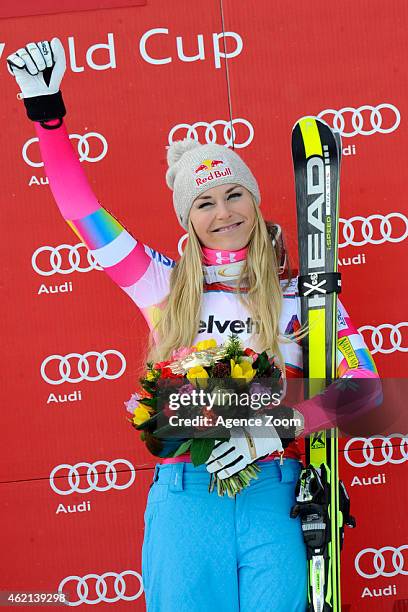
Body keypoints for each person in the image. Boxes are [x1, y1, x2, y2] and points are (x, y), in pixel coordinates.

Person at [8, 38, 381, 612]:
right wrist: (47, 116)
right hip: (185, 499)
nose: (224, 211)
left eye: (235, 194)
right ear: (188, 218)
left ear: (255, 203)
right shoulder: (161, 285)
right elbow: (82, 212)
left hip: (273, 497)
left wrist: (271, 429)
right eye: (204, 203)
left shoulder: (301, 299)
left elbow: (367, 392)